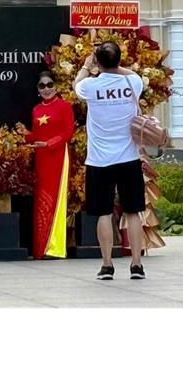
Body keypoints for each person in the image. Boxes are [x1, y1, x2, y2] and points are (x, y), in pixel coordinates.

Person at [74, 41, 147, 281]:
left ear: (98, 61)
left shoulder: (90, 86)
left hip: (99, 160)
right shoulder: (133, 83)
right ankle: (136, 264)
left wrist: (88, 66)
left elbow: (76, 84)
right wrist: (113, 65)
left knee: (103, 213)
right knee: (133, 212)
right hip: (129, 158)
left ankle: (107, 265)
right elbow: (131, 73)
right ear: (119, 60)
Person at [16, 71, 75, 260]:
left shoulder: (64, 106)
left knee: (57, 199)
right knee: (42, 200)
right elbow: (36, 136)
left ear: (56, 86)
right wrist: (25, 134)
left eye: (50, 84)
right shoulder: (36, 110)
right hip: (42, 159)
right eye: (42, 86)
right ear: (38, 89)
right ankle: (42, 248)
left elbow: (68, 132)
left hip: (58, 157)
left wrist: (49, 143)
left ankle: (55, 248)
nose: (46, 89)